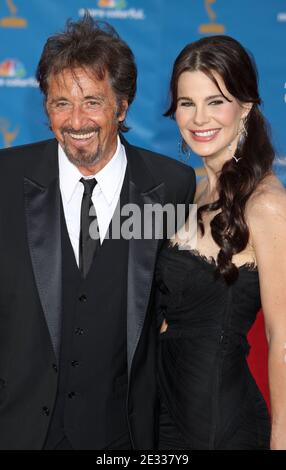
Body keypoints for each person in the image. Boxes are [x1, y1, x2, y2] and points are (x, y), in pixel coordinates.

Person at [0, 15, 196, 450]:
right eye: (60, 103)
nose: (75, 121)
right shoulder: (5, 180)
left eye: (92, 101)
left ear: (122, 107)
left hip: (123, 437)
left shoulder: (170, 187)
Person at [156, 35, 286, 450]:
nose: (198, 118)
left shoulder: (266, 205)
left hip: (219, 425)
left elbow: (282, 337)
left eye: (215, 101)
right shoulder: (192, 194)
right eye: (186, 103)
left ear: (245, 106)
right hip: (162, 413)